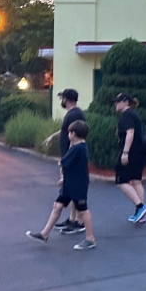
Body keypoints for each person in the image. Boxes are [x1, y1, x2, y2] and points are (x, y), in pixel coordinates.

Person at [26, 120, 97, 250]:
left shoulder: (78, 149)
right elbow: (72, 167)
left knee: (83, 210)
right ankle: (44, 234)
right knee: (57, 206)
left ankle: (90, 238)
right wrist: (64, 179)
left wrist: (64, 171)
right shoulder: (76, 146)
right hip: (69, 184)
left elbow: (62, 163)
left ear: (73, 134)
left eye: (69, 133)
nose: (67, 135)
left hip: (78, 185)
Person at [43, 89, 86, 234]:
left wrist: (68, 157)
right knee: (71, 190)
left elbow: (76, 135)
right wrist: (53, 137)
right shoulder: (72, 114)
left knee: (73, 189)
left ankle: (79, 222)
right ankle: (72, 219)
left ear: (66, 99)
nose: (61, 101)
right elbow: (67, 131)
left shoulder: (75, 114)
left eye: (62, 98)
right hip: (67, 155)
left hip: (70, 157)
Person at [114, 93, 146, 223]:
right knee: (136, 180)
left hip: (132, 152)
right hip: (140, 151)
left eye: (117, 101)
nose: (115, 104)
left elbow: (130, 133)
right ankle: (140, 214)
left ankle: (140, 206)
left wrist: (125, 153)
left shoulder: (127, 115)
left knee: (121, 180)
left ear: (125, 101)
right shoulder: (134, 114)